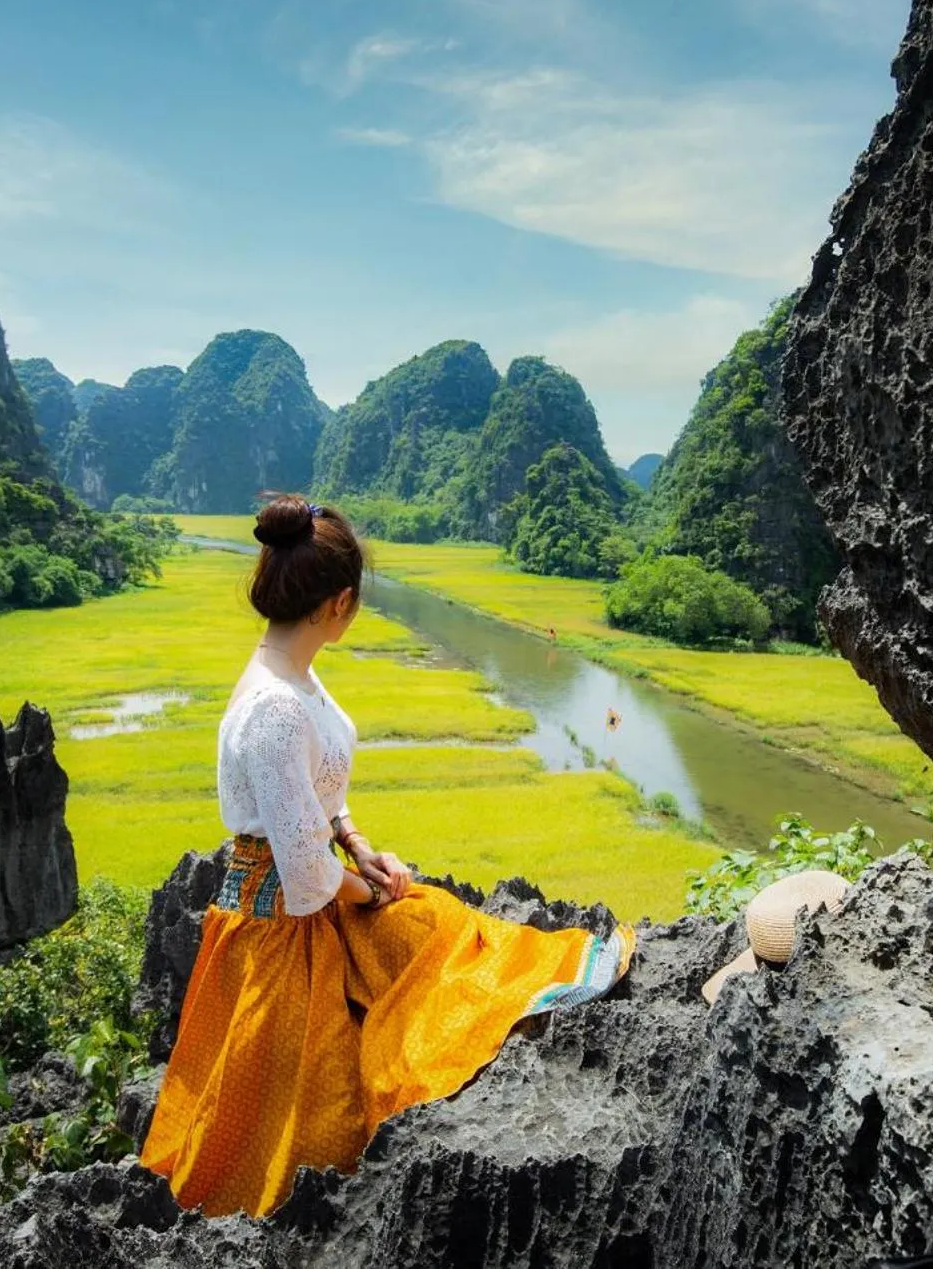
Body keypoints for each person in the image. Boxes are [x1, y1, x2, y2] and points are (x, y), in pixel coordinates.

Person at [140, 495, 636, 1218]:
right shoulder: (275, 707)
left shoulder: (297, 676)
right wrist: (368, 891)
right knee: (310, 1121)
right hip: (281, 932)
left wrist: (363, 851)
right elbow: (306, 879)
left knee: (435, 927)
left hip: (319, 896)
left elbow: (320, 801)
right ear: (340, 601)